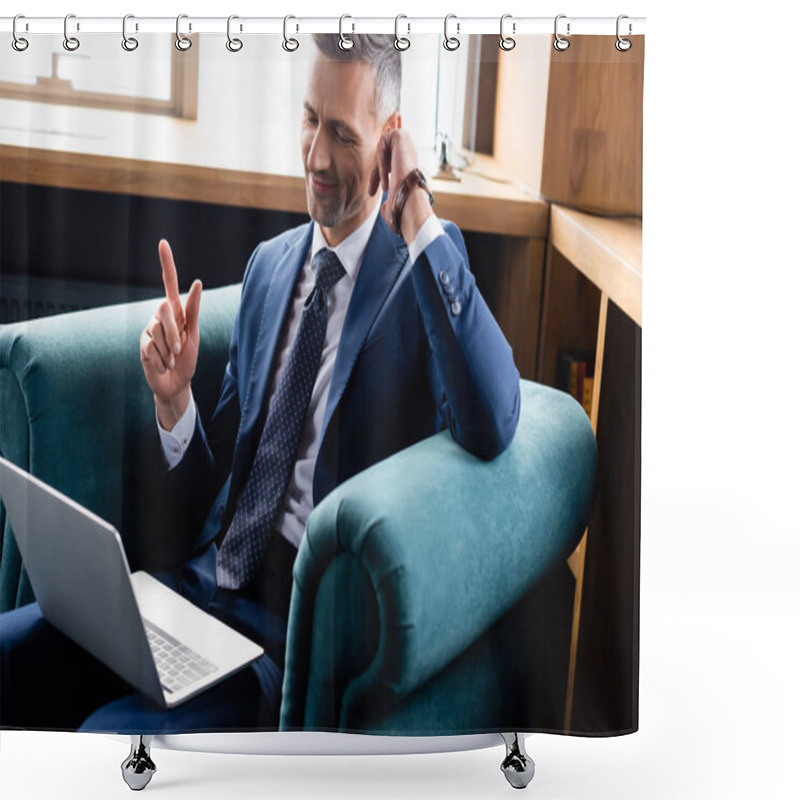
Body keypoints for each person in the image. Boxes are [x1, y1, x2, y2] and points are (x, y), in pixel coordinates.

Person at [0, 34, 520, 733]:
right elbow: (212, 500)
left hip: (280, 645)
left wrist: (418, 206)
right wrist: (176, 401)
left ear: (392, 140)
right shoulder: (270, 268)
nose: (315, 157)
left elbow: (492, 415)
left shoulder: (418, 279)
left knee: (107, 745)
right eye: (310, 119)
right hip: (193, 593)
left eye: (342, 133)